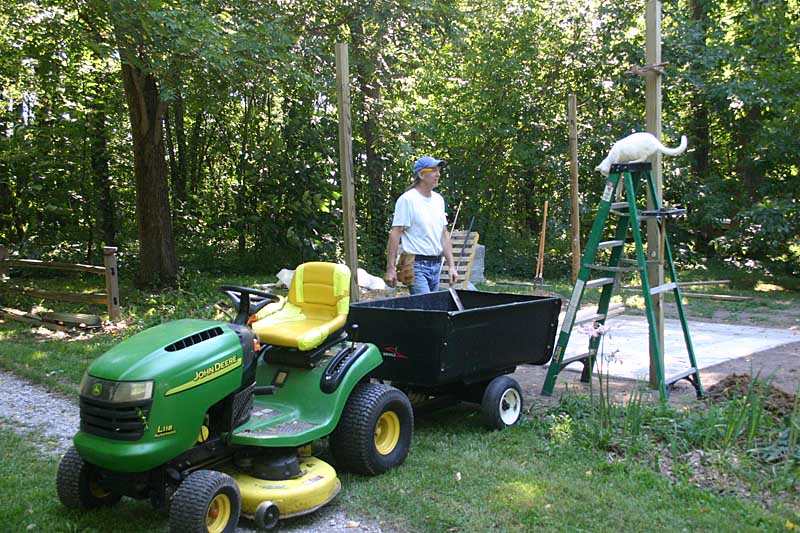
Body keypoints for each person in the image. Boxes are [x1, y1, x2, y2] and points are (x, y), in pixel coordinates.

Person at [385, 156, 458, 293]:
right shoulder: (407, 200)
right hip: (416, 265)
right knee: (426, 310)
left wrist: (452, 266)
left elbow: (444, 234)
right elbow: (395, 233)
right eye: (434, 170)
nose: (438, 174)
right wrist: (390, 269)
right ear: (421, 174)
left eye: (439, 170)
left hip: (436, 265)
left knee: (432, 310)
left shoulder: (438, 200)